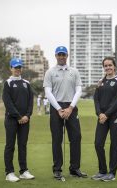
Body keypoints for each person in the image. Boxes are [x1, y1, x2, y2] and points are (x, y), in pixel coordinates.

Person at [43, 46, 87, 180]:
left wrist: (70, 107)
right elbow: (48, 92)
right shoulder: (50, 72)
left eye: (64, 54)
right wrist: (58, 109)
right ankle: (57, 169)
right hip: (56, 106)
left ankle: (74, 168)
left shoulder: (74, 71)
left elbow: (78, 90)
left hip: (71, 106)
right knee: (57, 139)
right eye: (59, 54)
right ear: (56, 56)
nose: (61, 57)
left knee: (76, 137)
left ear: (67, 56)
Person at [91, 57, 117, 182]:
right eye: (105, 66)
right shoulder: (100, 82)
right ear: (103, 67)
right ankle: (102, 170)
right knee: (98, 143)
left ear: (114, 66)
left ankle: (112, 173)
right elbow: (96, 99)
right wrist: (99, 113)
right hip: (102, 118)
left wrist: (106, 114)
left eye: (110, 65)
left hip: (115, 117)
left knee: (114, 144)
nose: (108, 67)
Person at [2, 58, 35, 182]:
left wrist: (27, 115)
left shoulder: (26, 83)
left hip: (25, 120)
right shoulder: (8, 83)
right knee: (10, 146)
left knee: (22, 145)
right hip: (11, 120)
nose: (18, 69)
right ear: (11, 68)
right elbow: (8, 102)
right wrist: (19, 116)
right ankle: (9, 172)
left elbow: (30, 102)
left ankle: (23, 171)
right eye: (15, 67)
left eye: (19, 67)